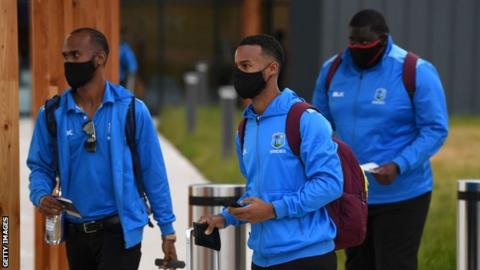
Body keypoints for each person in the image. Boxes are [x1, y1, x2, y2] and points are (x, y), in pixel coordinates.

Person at [27, 28, 178, 270]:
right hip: (76, 233)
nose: (68, 62)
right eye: (65, 56)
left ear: (100, 58)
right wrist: (41, 195)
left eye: (75, 55)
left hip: (120, 232)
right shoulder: (52, 114)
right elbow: (40, 166)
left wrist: (167, 229)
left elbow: (153, 173)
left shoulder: (131, 110)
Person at [312, 9, 449, 270]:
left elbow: (435, 129)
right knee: (357, 264)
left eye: (366, 43)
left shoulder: (415, 70)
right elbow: (319, 125)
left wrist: (399, 165)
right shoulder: (332, 70)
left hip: (403, 194)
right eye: (353, 41)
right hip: (352, 193)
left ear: (384, 39)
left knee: (394, 264)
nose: (358, 48)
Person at [199, 34, 343, 270]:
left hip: (306, 258)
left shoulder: (306, 120)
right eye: (237, 67)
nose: (239, 74)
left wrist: (273, 210)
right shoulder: (245, 127)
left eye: (246, 66)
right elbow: (257, 189)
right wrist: (224, 218)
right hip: (262, 259)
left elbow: (330, 184)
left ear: (272, 69)